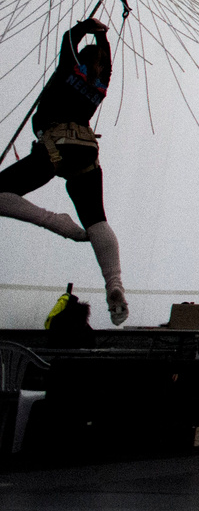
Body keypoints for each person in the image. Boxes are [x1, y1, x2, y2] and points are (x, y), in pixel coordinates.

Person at [0, 18, 127, 324]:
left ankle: (59, 224)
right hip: (85, 152)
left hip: (58, 146)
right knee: (96, 218)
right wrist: (104, 39)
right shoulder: (100, 84)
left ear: (80, 61)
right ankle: (115, 285)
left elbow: (70, 38)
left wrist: (86, 27)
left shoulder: (69, 72)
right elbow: (105, 63)